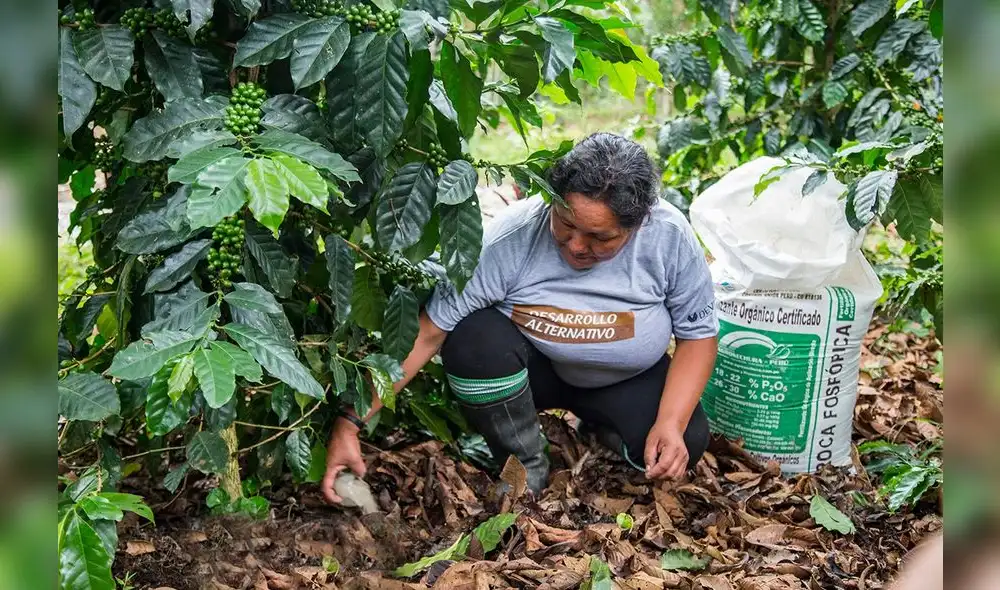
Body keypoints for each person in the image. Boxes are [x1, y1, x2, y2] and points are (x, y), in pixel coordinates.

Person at [322, 132, 720, 503]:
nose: (576, 246)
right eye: (566, 224)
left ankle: (602, 430)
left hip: (625, 379)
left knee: (685, 440)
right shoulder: (512, 239)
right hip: (534, 372)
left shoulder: (668, 237)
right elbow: (428, 332)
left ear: (638, 225)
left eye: (600, 238)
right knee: (473, 338)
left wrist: (669, 422)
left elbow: (698, 335)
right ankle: (525, 466)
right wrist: (350, 423)